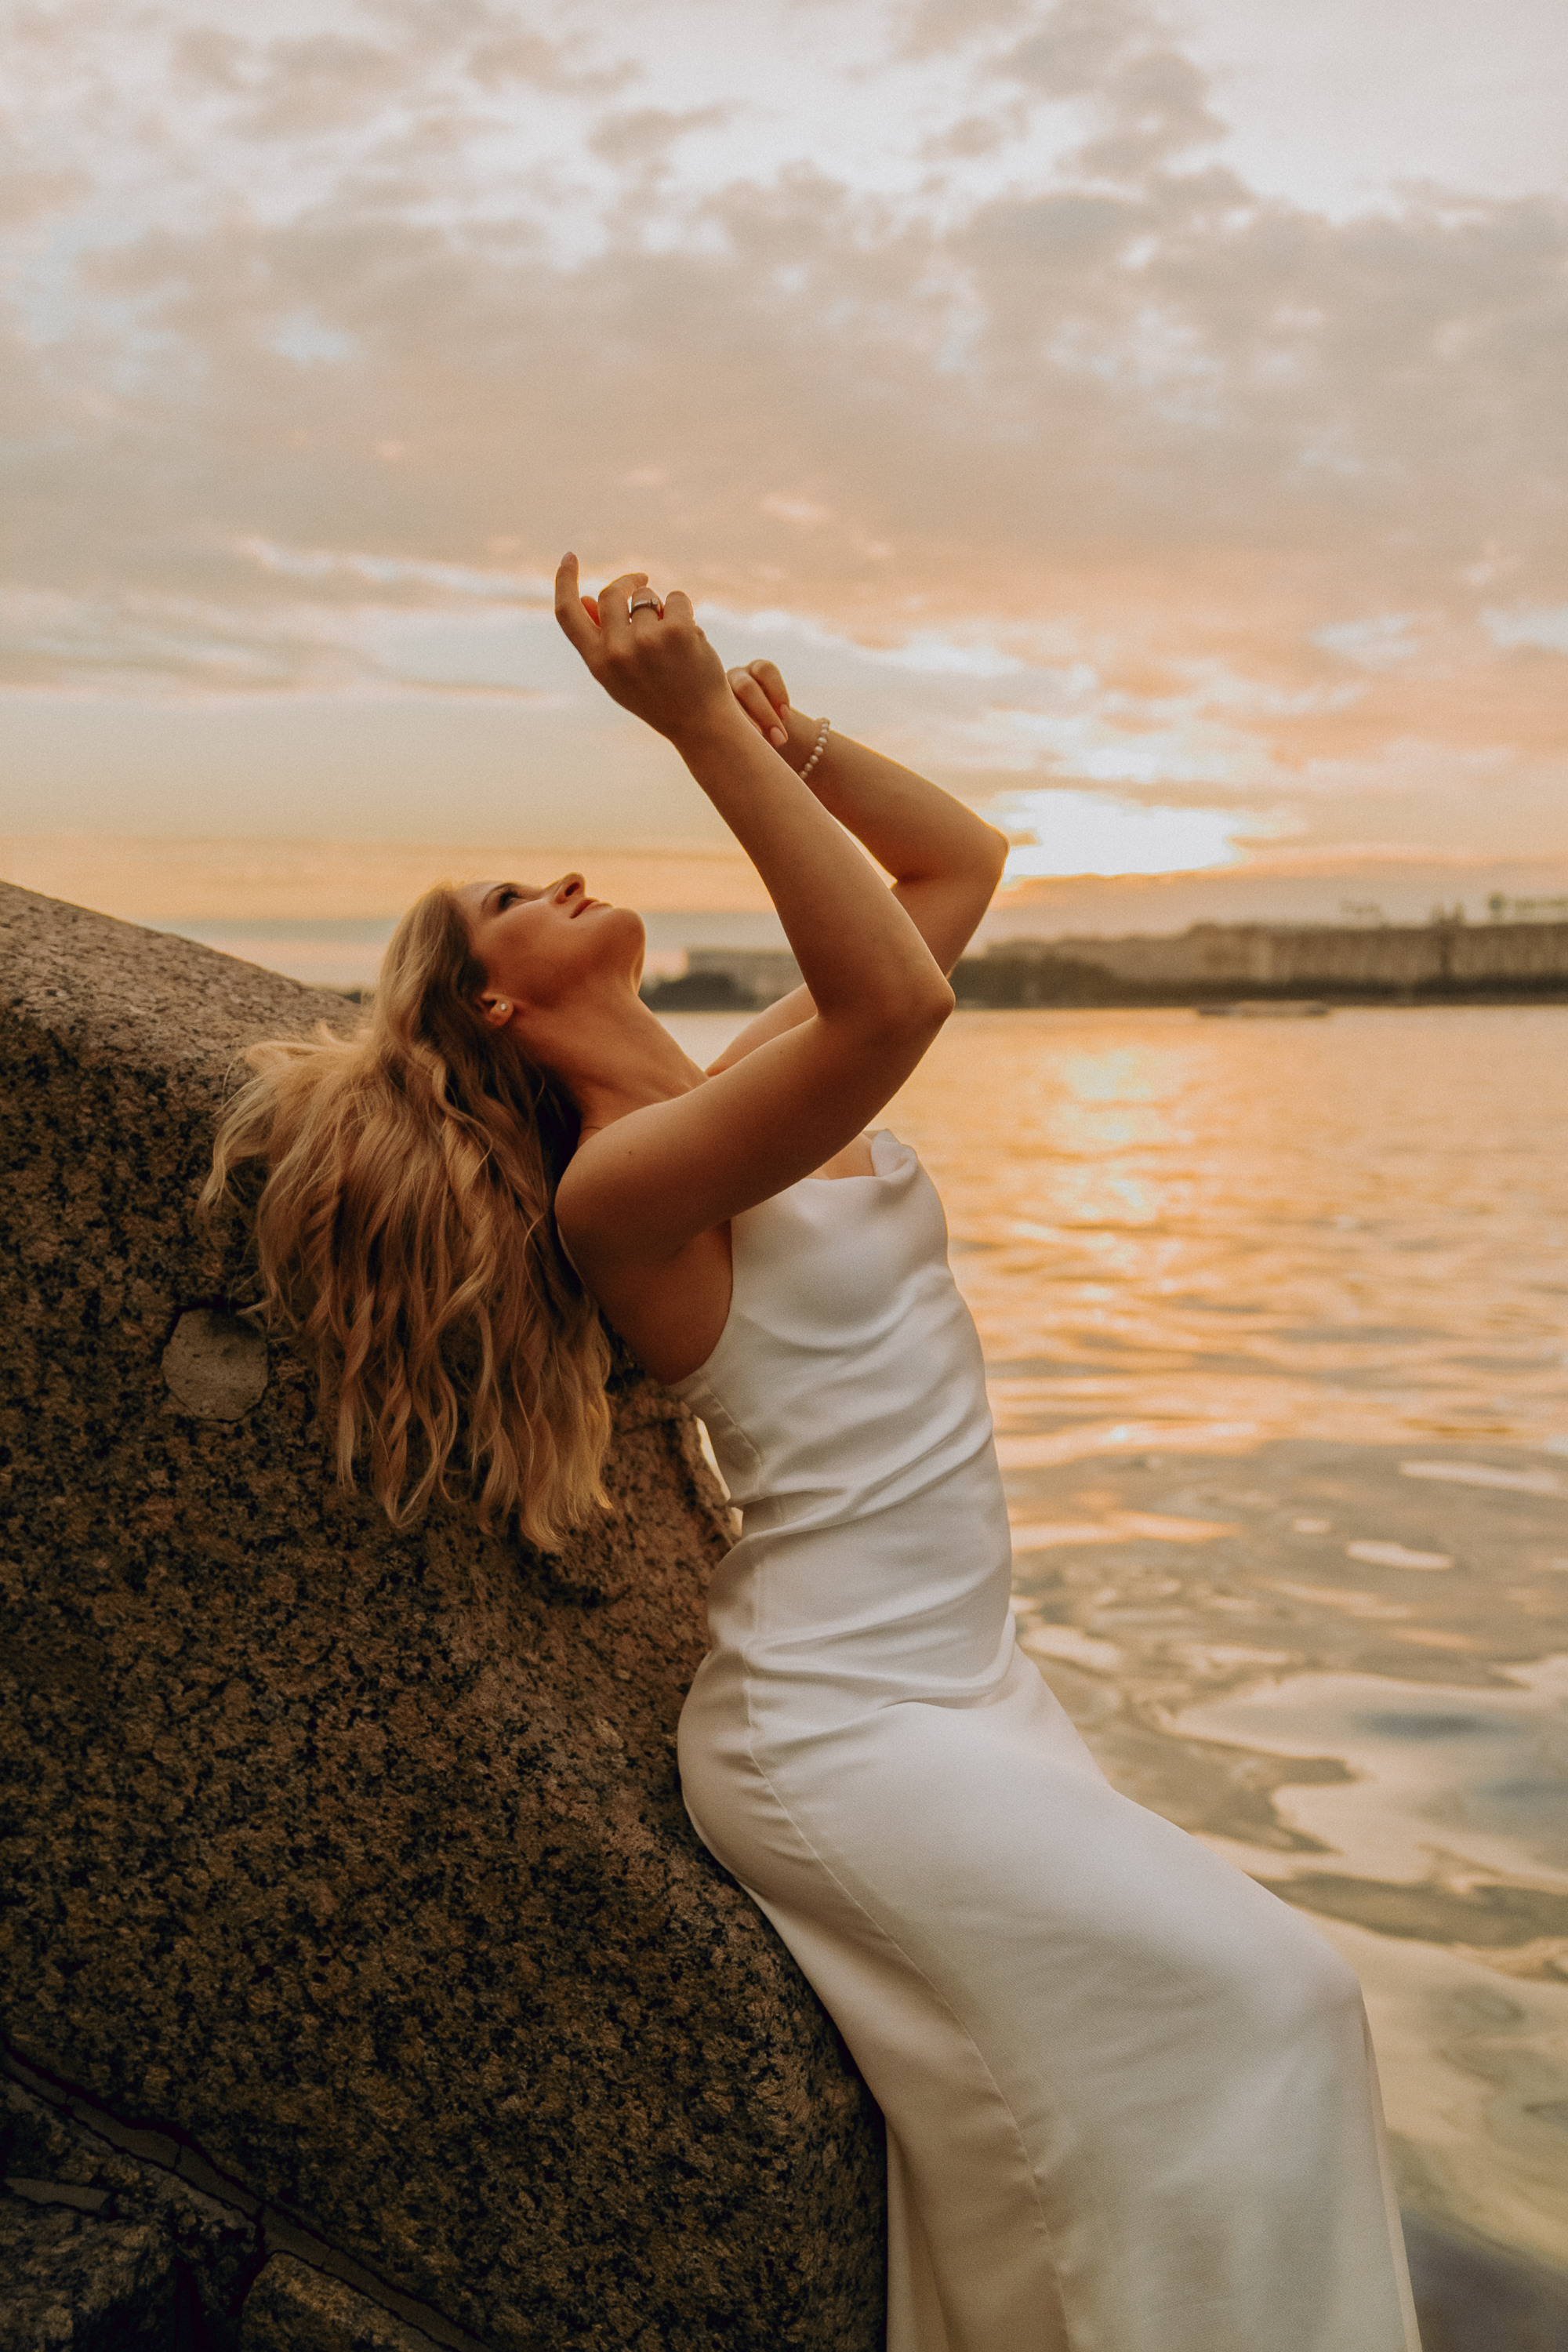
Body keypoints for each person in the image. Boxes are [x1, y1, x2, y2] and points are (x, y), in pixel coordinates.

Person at [208, 557, 1422, 2352]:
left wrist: (796, 739)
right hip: (840, 1723)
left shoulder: (723, 1092)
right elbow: (897, 1009)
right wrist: (688, 722)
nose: (552, 871)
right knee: (1282, 1999)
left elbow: (959, 874)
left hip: (967, 1684)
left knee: (1191, 2079)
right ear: (490, 1006)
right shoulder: (626, 1183)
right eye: (503, 897)